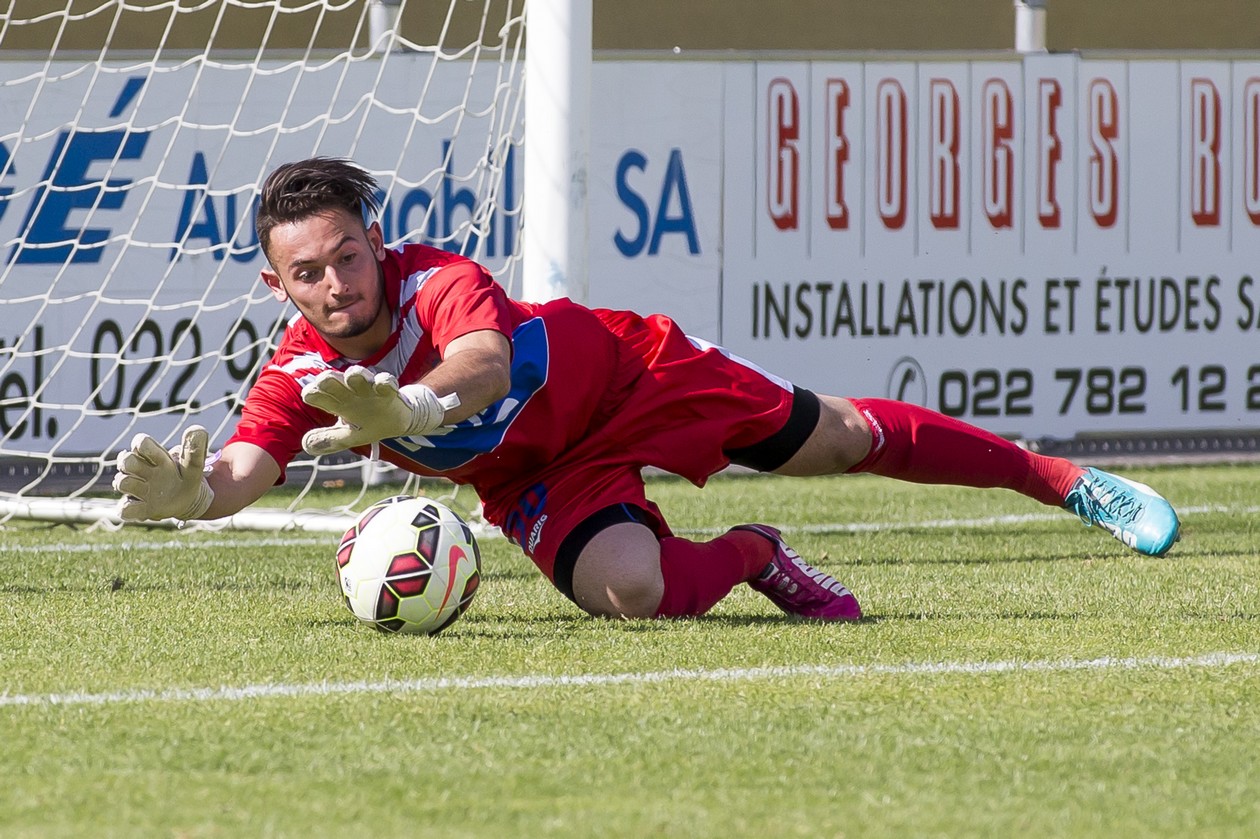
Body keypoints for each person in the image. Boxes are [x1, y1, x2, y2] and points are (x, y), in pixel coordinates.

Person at [112, 157, 1182, 622]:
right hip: (539, 474)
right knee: (633, 595)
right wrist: (196, 495)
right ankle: (759, 554)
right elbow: (249, 461)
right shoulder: (297, 369)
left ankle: (1064, 480)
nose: (338, 282)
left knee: (844, 435)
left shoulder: (437, 278)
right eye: (311, 270)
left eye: (349, 252)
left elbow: (483, 359)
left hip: (637, 377)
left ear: (375, 241)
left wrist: (420, 409)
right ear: (277, 282)